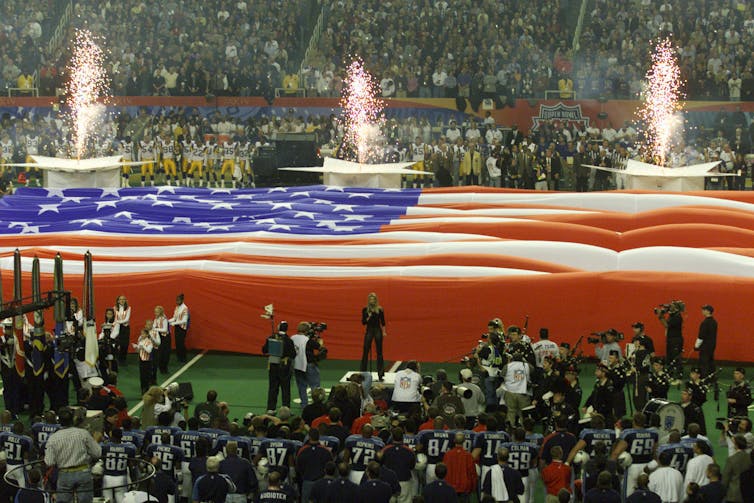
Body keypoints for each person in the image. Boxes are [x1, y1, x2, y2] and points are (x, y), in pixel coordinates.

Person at [44, 407, 102, 503]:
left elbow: (49, 462)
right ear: (72, 419)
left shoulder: (53, 438)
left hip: (64, 474)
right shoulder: (83, 433)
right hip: (83, 472)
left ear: (59, 421)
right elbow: (97, 453)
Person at [610, 412, 658, 498]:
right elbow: (655, 453)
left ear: (634, 421)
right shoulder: (653, 433)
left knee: (629, 495)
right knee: (646, 495)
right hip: (647, 467)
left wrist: (611, 467)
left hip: (632, 467)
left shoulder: (628, 433)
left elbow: (616, 452)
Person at [262, 321, 296, 414]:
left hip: (273, 364)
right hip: (284, 366)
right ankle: (286, 408)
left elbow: (264, 350)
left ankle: (271, 408)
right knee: (285, 388)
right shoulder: (288, 340)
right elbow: (293, 354)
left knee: (273, 387)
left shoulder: (271, 337)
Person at [100, 428, 137, 503]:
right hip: (121, 478)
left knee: (107, 500)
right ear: (121, 436)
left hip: (107, 477)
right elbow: (131, 465)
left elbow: (101, 459)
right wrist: (133, 479)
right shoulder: (129, 448)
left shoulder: (104, 446)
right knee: (122, 501)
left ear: (112, 436)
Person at [295, 429, 332, 503]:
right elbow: (330, 467)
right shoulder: (326, 450)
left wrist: (304, 475)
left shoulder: (302, 450)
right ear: (319, 437)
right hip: (321, 482)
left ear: (309, 437)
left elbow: (298, 467)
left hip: (307, 481)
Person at [441, 432, 477, 502]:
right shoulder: (468, 455)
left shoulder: (448, 454)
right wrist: (473, 487)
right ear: (464, 441)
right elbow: (472, 473)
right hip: (465, 487)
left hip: (450, 486)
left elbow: (444, 471)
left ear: (454, 440)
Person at [361, 292, 386, 381]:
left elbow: (383, 322)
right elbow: (363, 322)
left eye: (373, 299)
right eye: (370, 299)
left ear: (375, 300)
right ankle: (363, 372)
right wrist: (369, 316)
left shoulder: (380, 309)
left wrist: (384, 332)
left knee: (379, 352)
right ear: (369, 300)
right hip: (369, 330)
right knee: (365, 350)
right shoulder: (365, 310)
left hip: (377, 330)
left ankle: (380, 374)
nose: (372, 301)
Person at [657, 300, 684, 381]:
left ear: (676, 308)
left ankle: (679, 377)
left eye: (672, 306)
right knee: (670, 358)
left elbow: (666, 325)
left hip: (676, 340)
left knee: (676, 358)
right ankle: (671, 375)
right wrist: (662, 314)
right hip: (670, 339)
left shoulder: (678, 317)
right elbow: (666, 324)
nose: (669, 307)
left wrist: (660, 316)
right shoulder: (672, 316)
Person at [722, 434, 751, 503]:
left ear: (736, 445)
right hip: (747, 493)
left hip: (733, 495)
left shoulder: (731, 459)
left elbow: (725, 478)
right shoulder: (749, 458)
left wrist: (722, 493)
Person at [694, 305, 716, 378]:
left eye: (704, 310)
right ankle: (712, 378)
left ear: (708, 311)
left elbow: (701, 336)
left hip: (705, 346)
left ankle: (703, 378)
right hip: (712, 345)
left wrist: (696, 346)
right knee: (710, 362)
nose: (702, 311)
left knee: (703, 363)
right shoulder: (714, 322)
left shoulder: (705, 323)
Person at [168, 293, 189, 363]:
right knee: (177, 343)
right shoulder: (177, 307)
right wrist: (167, 321)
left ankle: (183, 358)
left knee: (181, 343)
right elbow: (174, 318)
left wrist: (174, 323)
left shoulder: (185, 308)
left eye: (178, 300)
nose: (177, 302)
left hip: (182, 328)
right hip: (177, 327)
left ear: (182, 300)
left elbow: (184, 321)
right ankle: (179, 357)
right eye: (176, 300)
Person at [133, 329, 155, 394]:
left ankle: (147, 389)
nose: (141, 335)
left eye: (143, 334)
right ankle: (143, 388)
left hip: (147, 361)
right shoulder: (141, 341)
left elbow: (149, 351)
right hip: (141, 359)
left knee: (147, 376)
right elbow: (138, 351)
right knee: (142, 375)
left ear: (147, 335)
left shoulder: (149, 342)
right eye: (141, 334)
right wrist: (136, 347)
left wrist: (143, 346)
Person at [152, 306, 170, 375]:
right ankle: (161, 368)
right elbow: (153, 327)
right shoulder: (156, 319)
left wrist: (155, 329)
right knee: (160, 353)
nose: (155, 313)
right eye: (155, 312)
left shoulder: (164, 319)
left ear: (161, 312)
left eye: (157, 312)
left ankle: (165, 368)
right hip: (159, 337)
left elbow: (165, 329)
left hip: (165, 337)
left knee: (165, 353)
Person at [114, 295, 131, 364]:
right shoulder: (115, 308)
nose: (122, 300)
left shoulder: (128, 308)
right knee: (117, 342)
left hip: (125, 327)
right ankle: (117, 357)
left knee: (125, 343)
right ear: (118, 301)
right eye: (121, 299)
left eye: (124, 299)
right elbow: (115, 318)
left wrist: (118, 322)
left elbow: (127, 319)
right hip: (117, 327)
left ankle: (123, 359)